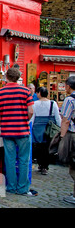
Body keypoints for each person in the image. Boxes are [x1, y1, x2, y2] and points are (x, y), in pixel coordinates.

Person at [0, 67, 36, 196]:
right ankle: (22, 188)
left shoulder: (0, 92)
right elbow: (31, 111)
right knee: (23, 160)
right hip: (23, 129)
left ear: (6, 77)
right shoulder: (26, 91)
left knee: (10, 159)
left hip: (7, 130)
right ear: (18, 78)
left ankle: (11, 186)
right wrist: (24, 119)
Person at [30, 86, 61, 175]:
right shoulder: (53, 103)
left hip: (37, 128)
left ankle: (40, 164)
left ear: (39, 93)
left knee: (39, 146)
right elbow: (57, 117)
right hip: (49, 128)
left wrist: (30, 127)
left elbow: (32, 117)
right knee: (47, 147)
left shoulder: (34, 103)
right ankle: (45, 166)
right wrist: (59, 127)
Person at [60, 76, 75, 205]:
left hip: (73, 134)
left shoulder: (70, 100)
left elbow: (66, 120)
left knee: (73, 166)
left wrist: (62, 137)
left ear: (68, 86)